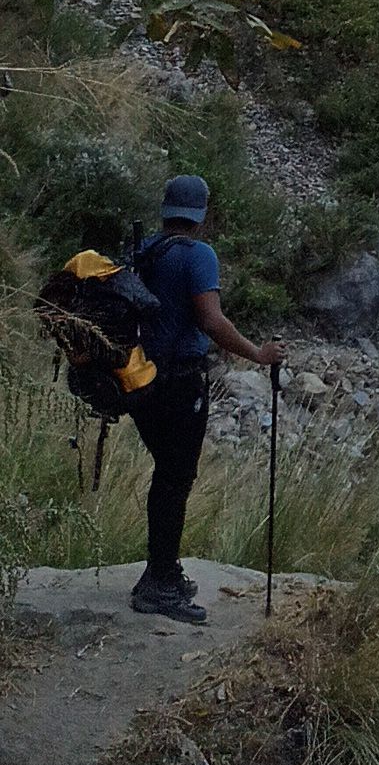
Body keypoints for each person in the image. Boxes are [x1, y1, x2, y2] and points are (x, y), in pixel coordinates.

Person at [127, 174, 282, 623]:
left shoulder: (147, 251)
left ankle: (162, 571)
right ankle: (158, 584)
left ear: (166, 209)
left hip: (144, 381)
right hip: (179, 384)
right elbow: (212, 322)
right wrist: (258, 353)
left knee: (168, 474)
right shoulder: (199, 255)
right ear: (203, 213)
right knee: (176, 479)